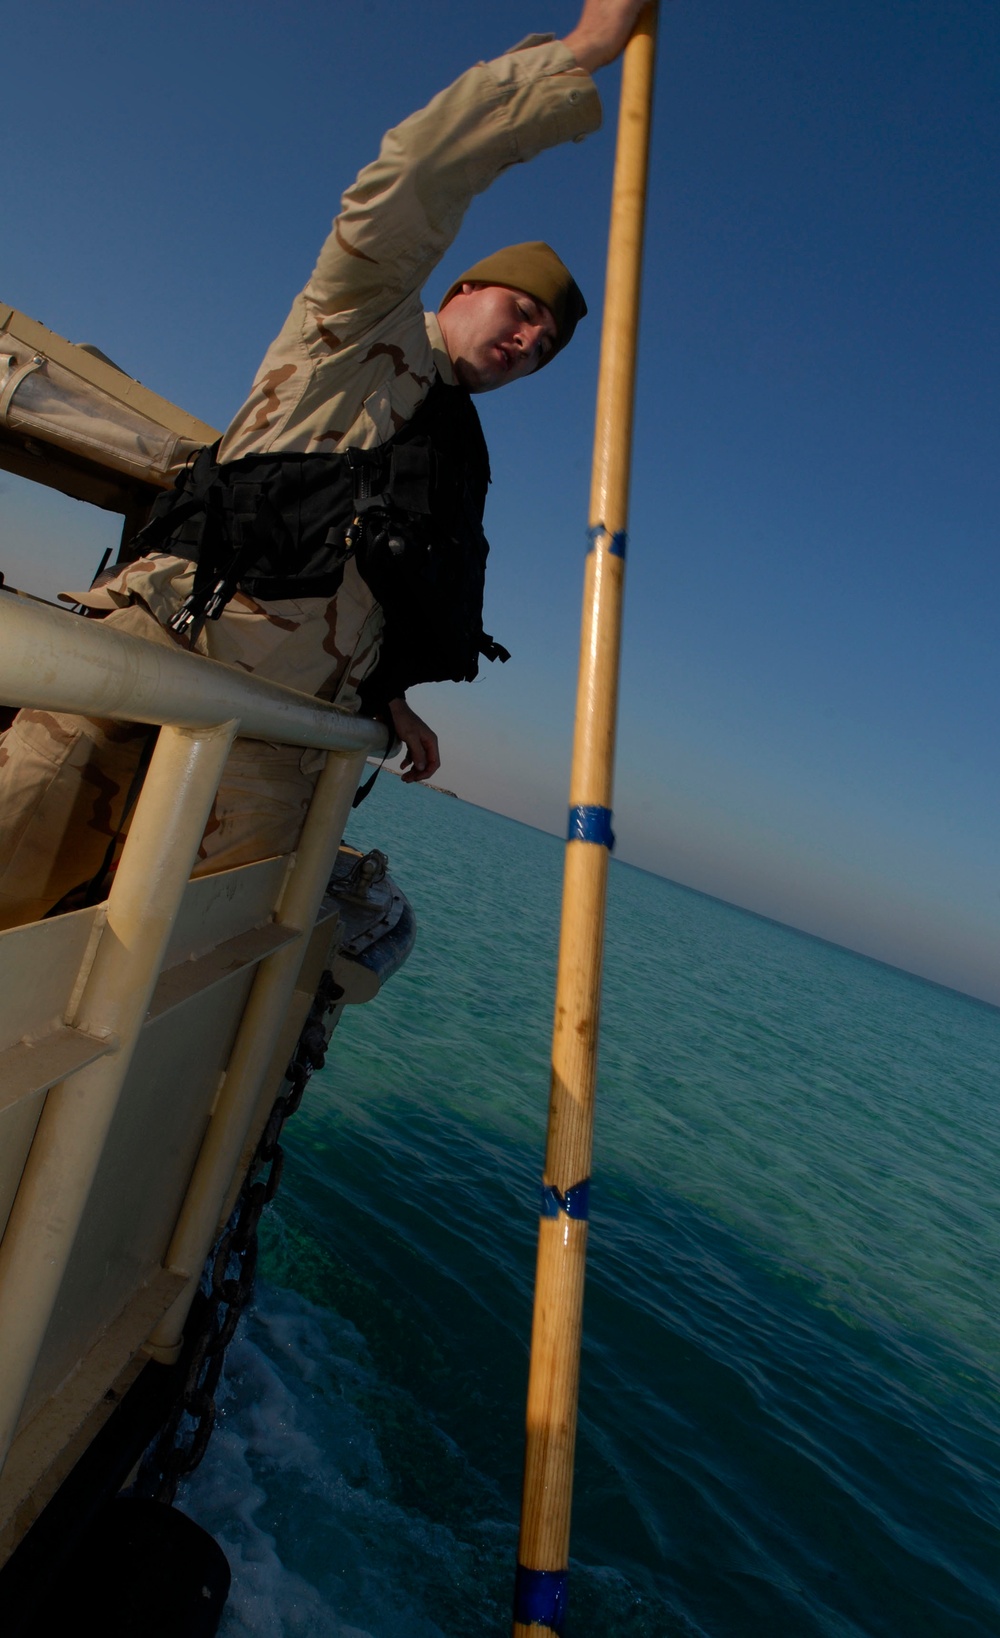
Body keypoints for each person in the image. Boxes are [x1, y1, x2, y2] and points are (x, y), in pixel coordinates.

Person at [0, 0, 646, 930]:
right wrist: (580, 56)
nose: (529, 340)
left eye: (545, 346)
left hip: (277, 741)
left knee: (175, 974)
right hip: (157, 660)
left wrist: (389, 697)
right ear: (463, 290)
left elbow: (374, 573)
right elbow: (414, 174)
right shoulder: (357, 323)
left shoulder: (458, 453)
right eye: (521, 312)